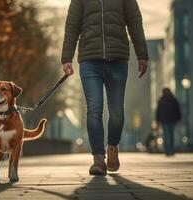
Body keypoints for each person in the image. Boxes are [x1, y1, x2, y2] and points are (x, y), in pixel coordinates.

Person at [61, 0, 148, 175]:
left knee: (116, 113)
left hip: (118, 59)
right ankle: (98, 159)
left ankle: (112, 146)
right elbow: (72, 25)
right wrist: (66, 58)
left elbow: (134, 22)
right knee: (94, 109)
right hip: (89, 60)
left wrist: (142, 54)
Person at [156, 88, 181, 156]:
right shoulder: (173, 99)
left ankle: (168, 150)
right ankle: (170, 150)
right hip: (170, 120)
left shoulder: (162, 100)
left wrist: (158, 120)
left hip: (167, 120)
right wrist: (178, 118)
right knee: (170, 135)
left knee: (167, 135)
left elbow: (158, 111)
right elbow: (177, 110)